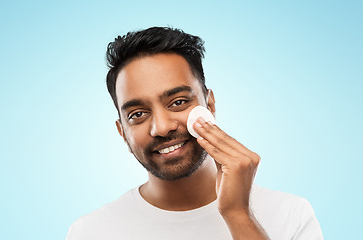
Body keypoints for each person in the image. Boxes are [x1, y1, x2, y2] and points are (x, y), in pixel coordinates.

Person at [66, 27, 323, 240]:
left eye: (178, 102)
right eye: (138, 114)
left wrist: (238, 214)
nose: (162, 127)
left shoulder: (291, 216)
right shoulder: (90, 232)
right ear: (122, 132)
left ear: (209, 105)